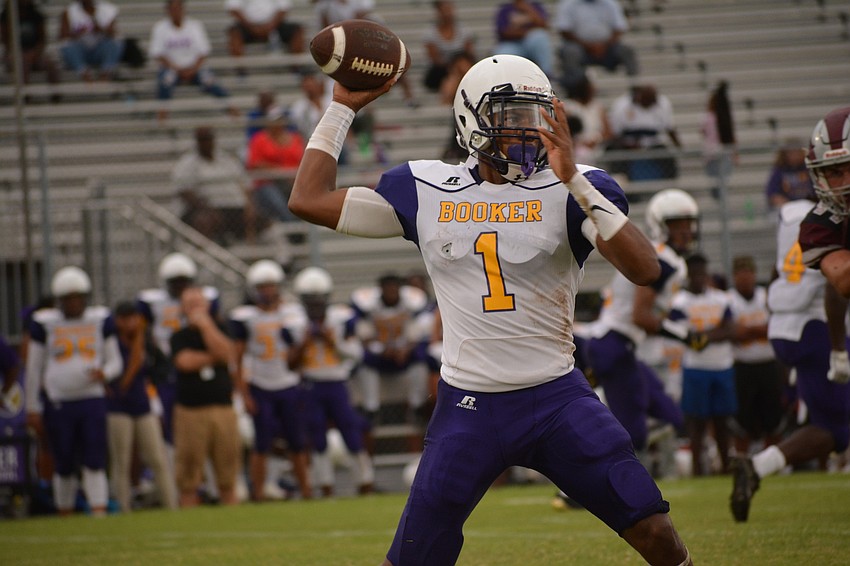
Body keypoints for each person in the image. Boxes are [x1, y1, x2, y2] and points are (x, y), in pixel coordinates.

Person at [288, 54, 692, 565]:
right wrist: (342, 108)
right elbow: (307, 199)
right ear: (468, 119)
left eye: (535, 114)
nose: (525, 130)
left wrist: (574, 180)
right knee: (413, 558)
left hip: (557, 399)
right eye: (509, 115)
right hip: (468, 406)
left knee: (655, 531)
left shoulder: (575, 188)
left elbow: (645, 269)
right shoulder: (426, 188)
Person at [730, 189, 849, 521]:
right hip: (818, 327)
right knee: (834, 428)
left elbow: (777, 271)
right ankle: (756, 466)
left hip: (785, 326)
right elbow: (836, 287)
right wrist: (838, 349)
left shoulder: (794, 215)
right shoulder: (835, 217)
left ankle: (757, 466)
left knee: (834, 420)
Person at [585, 189, 699, 470]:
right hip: (615, 345)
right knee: (631, 432)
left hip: (617, 346)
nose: (685, 231)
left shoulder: (658, 253)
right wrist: (686, 335)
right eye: (677, 225)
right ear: (661, 225)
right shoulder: (665, 260)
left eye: (688, 224)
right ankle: (579, 488)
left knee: (668, 413)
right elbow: (640, 316)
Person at [24, 266, 123, 516]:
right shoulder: (45, 323)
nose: (74, 303)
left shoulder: (99, 320)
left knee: (94, 458)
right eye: (68, 298)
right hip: (60, 401)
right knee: (63, 460)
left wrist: (106, 374)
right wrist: (32, 407)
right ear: (60, 300)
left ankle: (98, 509)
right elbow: (34, 369)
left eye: (78, 297)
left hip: (92, 398)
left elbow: (115, 361)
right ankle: (64, 511)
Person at [229, 260, 313, 501]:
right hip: (260, 385)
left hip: (288, 382)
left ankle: (306, 490)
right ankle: (258, 493)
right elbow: (237, 356)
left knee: (297, 441)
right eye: (262, 287)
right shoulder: (246, 317)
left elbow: (298, 353)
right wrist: (243, 393)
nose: (267, 291)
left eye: (271, 286)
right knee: (261, 443)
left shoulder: (293, 313)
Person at [289, 266, 375, 497]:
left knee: (350, 430)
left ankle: (364, 481)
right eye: (311, 300)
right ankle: (325, 485)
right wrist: (304, 343)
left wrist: (331, 341)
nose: (316, 306)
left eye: (319, 300)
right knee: (316, 435)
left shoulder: (341, 319)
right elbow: (289, 363)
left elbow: (356, 354)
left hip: (337, 383)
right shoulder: (295, 323)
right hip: (311, 384)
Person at [136, 253, 221, 451]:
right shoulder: (152, 303)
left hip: (195, 364)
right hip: (166, 365)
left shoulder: (202, 299)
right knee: (169, 420)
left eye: (184, 281)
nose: (180, 287)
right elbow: (142, 333)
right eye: (175, 282)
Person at [170, 286, 241, 507]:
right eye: (189, 305)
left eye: (198, 304)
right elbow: (185, 362)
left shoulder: (221, 327)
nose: (195, 309)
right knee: (189, 474)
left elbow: (228, 355)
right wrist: (214, 356)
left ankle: (232, 518)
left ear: (208, 305)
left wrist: (206, 327)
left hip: (222, 408)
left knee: (228, 473)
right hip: (191, 411)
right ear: (182, 309)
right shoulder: (179, 336)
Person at [668, 253, 735, 476]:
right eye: (694, 274)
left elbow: (730, 330)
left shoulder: (721, 298)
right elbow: (684, 336)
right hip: (695, 367)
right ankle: (698, 469)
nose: (699, 278)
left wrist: (703, 336)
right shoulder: (679, 302)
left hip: (722, 366)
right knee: (696, 422)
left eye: (702, 273)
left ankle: (725, 466)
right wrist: (712, 334)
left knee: (722, 421)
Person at [106, 301, 177, 512]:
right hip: (118, 404)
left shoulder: (145, 341)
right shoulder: (112, 342)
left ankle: (172, 505)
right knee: (122, 460)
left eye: (135, 318)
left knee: (157, 457)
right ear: (118, 321)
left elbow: (162, 366)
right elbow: (122, 370)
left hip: (142, 403)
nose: (132, 323)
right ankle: (124, 507)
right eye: (126, 319)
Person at [349, 274, 430, 431]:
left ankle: (416, 407)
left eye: (395, 288)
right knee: (364, 361)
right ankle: (371, 409)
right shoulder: (369, 305)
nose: (392, 292)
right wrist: (381, 349)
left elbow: (417, 333)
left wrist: (405, 349)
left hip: (403, 351)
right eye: (388, 289)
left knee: (420, 359)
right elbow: (363, 335)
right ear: (381, 290)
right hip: (379, 351)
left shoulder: (411, 303)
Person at [726, 255, 783, 455]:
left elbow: (775, 327)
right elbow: (734, 333)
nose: (745, 277)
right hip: (742, 366)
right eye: (740, 273)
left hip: (768, 365)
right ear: (734, 276)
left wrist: (747, 331)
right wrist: (760, 330)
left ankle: (773, 461)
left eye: (748, 272)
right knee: (742, 419)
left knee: (773, 417)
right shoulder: (729, 299)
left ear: (754, 274)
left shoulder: (765, 296)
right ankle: (743, 460)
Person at [148, 0, 235, 122]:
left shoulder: (195, 26)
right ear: (167, 11)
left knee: (210, 80)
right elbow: (158, 54)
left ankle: (231, 108)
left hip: (195, 68)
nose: (176, 12)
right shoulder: (160, 28)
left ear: (183, 9)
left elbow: (203, 52)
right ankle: (162, 114)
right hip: (172, 69)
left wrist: (193, 69)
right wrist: (176, 69)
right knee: (165, 81)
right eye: (173, 9)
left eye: (178, 8)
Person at [171, 126, 251, 244]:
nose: (206, 143)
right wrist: (206, 207)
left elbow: (244, 183)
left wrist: (249, 205)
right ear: (197, 141)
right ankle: (206, 254)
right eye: (203, 139)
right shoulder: (187, 164)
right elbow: (184, 191)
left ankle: (280, 256)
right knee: (204, 220)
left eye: (208, 139)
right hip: (204, 209)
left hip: (233, 206)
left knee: (263, 220)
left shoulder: (226, 159)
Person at [554, 0, 638, 94]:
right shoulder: (568, 3)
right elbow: (564, 30)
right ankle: (575, 92)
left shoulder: (610, 3)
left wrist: (603, 46)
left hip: (607, 48)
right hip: (580, 48)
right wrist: (589, 46)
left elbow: (619, 28)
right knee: (570, 52)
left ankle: (635, 90)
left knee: (627, 50)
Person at [607, 84, 681, 181]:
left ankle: (668, 185)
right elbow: (615, 134)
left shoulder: (663, 104)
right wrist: (631, 145)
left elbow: (669, 128)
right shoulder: (622, 105)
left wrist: (679, 147)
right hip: (628, 145)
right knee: (616, 155)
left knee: (668, 159)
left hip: (652, 145)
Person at [246, 105, 305, 224]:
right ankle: (294, 231)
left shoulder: (295, 138)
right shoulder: (259, 139)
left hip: (293, 180)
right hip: (268, 182)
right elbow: (254, 164)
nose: (279, 123)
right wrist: (280, 170)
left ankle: (299, 228)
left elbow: (304, 160)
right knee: (280, 206)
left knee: (303, 201)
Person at [1, 0, 61, 99]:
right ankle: (25, 97)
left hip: (34, 52)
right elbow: (6, 41)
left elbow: (42, 40)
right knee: (22, 63)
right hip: (14, 53)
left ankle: (56, 95)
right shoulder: (6, 16)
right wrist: (19, 53)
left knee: (51, 64)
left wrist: (35, 53)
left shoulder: (36, 15)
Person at [226, 0, 305, 74]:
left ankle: (296, 68)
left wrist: (270, 26)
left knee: (297, 30)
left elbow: (283, 8)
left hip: (274, 25)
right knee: (234, 33)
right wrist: (252, 27)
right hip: (247, 26)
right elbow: (233, 8)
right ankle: (240, 70)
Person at [58, 0, 123, 82]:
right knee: (67, 46)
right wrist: (78, 33)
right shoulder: (69, 12)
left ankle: (106, 73)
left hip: (99, 50)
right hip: (81, 50)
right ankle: (84, 74)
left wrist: (100, 29)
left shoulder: (107, 9)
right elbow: (62, 36)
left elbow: (113, 33)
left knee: (115, 43)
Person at [422, 1, 475, 94]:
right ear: (438, 12)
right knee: (456, 73)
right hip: (440, 71)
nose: (447, 13)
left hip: (461, 66)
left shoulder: (464, 31)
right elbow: (435, 58)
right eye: (444, 10)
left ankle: (447, 100)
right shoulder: (430, 34)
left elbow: (469, 54)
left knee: (458, 71)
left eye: (449, 10)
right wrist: (453, 66)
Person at [492, 1, 553, 78]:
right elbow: (504, 32)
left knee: (540, 36)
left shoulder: (536, 6)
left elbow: (543, 26)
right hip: (511, 43)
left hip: (531, 42)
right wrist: (527, 32)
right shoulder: (505, 9)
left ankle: (546, 75)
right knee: (503, 53)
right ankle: (505, 80)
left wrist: (528, 9)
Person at [562, 75, 612, 164]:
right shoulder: (569, 106)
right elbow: (564, 129)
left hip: (598, 150)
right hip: (575, 150)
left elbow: (609, 132)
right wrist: (578, 143)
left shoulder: (598, 107)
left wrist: (597, 139)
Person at [701, 81, 736, 198]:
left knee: (716, 184)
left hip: (712, 154)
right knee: (722, 182)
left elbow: (703, 131)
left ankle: (720, 205)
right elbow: (731, 136)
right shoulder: (726, 116)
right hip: (724, 153)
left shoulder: (709, 117)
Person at [765, 138, 816, 212]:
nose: (794, 156)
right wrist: (786, 205)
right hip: (788, 208)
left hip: (809, 206)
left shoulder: (808, 168)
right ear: (785, 154)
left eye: (797, 152)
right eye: (791, 153)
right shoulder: (780, 170)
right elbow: (772, 193)